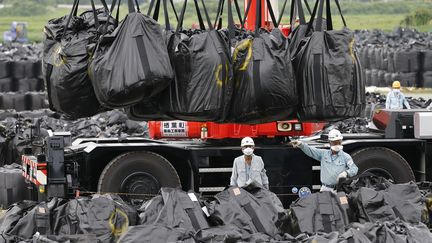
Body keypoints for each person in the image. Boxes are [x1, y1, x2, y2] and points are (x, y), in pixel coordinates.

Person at [291, 129, 358, 193]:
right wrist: (301, 144)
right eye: (334, 142)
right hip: (325, 189)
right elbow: (311, 151)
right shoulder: (323, 154)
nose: (337, 144)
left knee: (342, 204)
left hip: (340, 189)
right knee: (325, 205)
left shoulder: (346, 157)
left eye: (339, 142)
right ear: (330, 142)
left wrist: (346, 173)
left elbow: (354, 169)